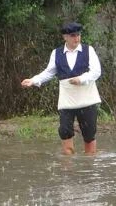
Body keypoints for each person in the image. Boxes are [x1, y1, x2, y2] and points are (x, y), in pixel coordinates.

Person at [21, 22, 102, 155]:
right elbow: (49, 72)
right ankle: (68, 169)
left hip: (87, 100)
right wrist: (33, 80)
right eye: (73, 35)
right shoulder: (56, 53)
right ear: (65, 37)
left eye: (78, 35)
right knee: (65, 131)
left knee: (89, 134)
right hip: (67, 101)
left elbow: (96, 71)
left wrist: (81, 79)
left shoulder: (89, 50)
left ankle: (90, 167)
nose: (77, 38)